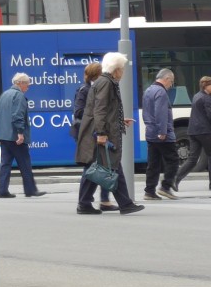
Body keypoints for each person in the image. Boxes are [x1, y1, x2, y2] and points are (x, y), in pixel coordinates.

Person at [75, 52, 144, 215]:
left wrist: (120, 120)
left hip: (97, 131)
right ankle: (125, 204)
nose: (123, 72)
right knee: (109, 167)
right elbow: (100, 110)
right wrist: (101, 133)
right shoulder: (106, 83)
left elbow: (105, 110)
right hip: (99, 134)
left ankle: (85, 204)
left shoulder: (103, 82)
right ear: (116, 69)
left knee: (96, 168)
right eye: (122, 69)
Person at [0, 72, 46, 198]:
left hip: (3, 135)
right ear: (20, 83)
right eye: (27, 84)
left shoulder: (4, 95)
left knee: (5, 164)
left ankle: (2, 190)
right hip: (14, 136)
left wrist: (1, 130)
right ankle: (30, 190)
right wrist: (20, 133)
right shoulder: (19, 96)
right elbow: (18, 116)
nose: (28, 87)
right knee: (25, 163)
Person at [71, 61, 113, 209]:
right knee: (93, 167)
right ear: (98, 74)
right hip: (90, 133)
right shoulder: (85, 89)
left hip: (95, 131)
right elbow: (79, 112)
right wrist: (98, 114)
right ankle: (86, 202)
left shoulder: (95, 87)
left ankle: (102, 200)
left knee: (103, 165)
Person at [141, 68, 179, 199]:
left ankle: (149, 191)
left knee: (153, 163)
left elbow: (147, 112)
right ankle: (166, 187)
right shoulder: (161, 92)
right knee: (173, 160)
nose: (171, 85)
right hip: (162, 134)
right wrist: (162, 132)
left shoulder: (148, 90)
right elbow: (161, 113)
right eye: (172, 81)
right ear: (167, 79)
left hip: (150, 132)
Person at [175, 75, 211, 190]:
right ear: (206, 86)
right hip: (205, 131)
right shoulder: (206, 98)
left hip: (193, 131)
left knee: (192, 159)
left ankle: (175, 179)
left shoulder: (196, 96)